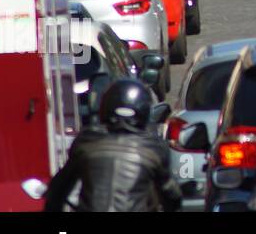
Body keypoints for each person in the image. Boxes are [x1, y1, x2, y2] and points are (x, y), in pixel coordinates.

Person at [44, 79, 182, 213]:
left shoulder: (87, 141)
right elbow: (171, 195)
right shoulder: (154, 148)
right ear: (144, 111)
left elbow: (58, 190)